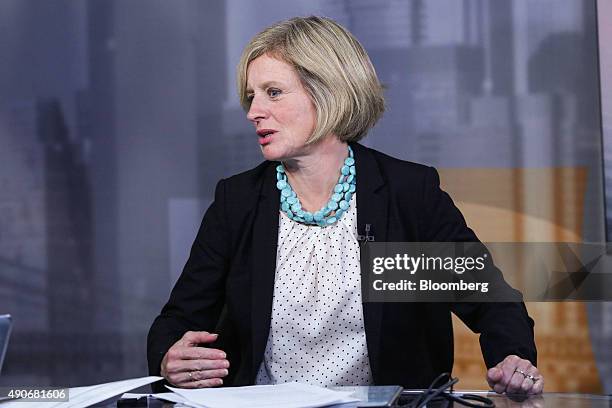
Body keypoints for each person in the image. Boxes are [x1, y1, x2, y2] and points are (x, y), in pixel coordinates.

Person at [147, 16, 543, 395]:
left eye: (273, 92)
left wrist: (512, 359)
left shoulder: (406, 195)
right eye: (251, 97)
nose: (253, 112)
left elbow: (493, 303)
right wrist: (170, 358)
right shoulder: (238, 202)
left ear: (328, 91)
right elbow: (178, 321)